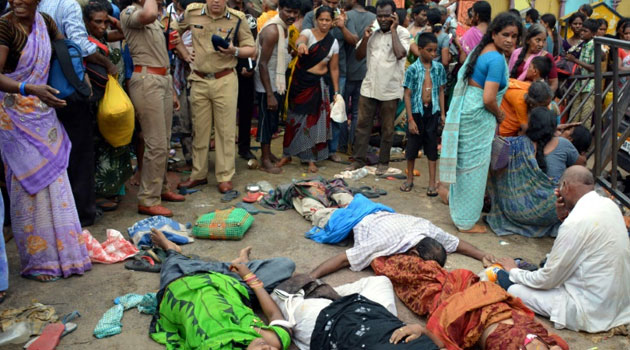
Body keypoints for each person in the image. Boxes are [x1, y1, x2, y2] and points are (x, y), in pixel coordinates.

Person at [0, 0, 92, 281]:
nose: (17, 1)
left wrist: (78, 80)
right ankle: (40, 260)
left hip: (44, 113)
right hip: (15, 119)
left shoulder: (46, 24)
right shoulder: (4, 27)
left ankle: (66, 252)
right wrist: (28, 88)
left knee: (56, 184)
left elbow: (66, 53)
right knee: (28, 189)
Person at [496, 165, 630, 333]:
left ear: (565, 186)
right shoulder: (609, 205)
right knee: (542, 265)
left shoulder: (576, 222)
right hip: (616, 304)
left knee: (508, 283)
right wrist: (564, 217)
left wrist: (514, 271)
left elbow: (548, 279)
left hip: (590, 310)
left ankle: (511, 277)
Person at [371, 254, 569, 350]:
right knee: (458, 278)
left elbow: (442, 336)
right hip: (492, 304)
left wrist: (423, 332)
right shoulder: (554, 345)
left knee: (428, 286)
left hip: (470, 313)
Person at [438, 12, 522, 233]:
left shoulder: (485, 50)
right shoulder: (495, 59)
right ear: (494, 33)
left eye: (514, 36)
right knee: (473, 169)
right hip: (478, 113)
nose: (510, 40)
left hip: (469, 109)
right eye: (505, 35)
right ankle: (466, 221)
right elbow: (488, 99)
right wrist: (500, 115)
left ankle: (459, 208)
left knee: (465, 164)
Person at [38, 0, 117, 226]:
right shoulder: (69, 5)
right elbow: (80, 45)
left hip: (41, 86)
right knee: (80, 151)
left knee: (53, 151)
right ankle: (83, 212)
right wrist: (107, 63)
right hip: (69, 86)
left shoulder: (39, 6)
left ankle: (59, 211)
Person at [148, 230, 296, 349]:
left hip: (183, 282)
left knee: (174, 262)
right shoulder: (274, 340)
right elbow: (273, 313)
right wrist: (250, 277)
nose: (267, 349)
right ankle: (240, 265)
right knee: (284, 265)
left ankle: (171, 251)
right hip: (231, 284)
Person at [176, 0, 256, 194]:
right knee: (200, 129)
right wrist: (185, 53)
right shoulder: (192, 13)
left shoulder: (238, 18)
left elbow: (251, 48)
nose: (216, 1)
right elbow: (172, 32)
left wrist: (234, 51)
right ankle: (198, 174)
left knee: (225, 130)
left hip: (225, 79)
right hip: (199, 79)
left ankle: (224, 177)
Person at [308, 198, 494, 279]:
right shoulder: (384, 242)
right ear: (413, 252)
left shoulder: (428, 230)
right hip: (354, 220)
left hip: (375, 209)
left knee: (343, 196)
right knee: (314, 210)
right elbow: (343, 259)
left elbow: (456, 243)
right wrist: (311, 277)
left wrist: (482, 254)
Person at [121, 0, 189, 217]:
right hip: (147, 80)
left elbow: (162, 53)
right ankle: (148, 199)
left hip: (161, 79)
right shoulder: (130, 13)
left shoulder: (156, 18)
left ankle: (161, 189)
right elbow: (149, 14)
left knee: (164, 140)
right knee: (156, 143)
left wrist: (172, 91)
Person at [271, 275, 443, 350]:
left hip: (332, 327)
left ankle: (321, 299)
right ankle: (330, 297)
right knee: (381, 281)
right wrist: (423, 330)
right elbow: (443, 346)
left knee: (279, 295)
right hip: (378, 314)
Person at [347, 0, 410, 176]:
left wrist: (393, 30)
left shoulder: (403, 33)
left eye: (386, 16)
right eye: (379, 15)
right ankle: (358, 161)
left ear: (394, 15)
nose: (382, 19)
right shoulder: (371, 32)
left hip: (389, 89)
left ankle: (383, 162)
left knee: (387, 128)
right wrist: (366, 37)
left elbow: (400, 54)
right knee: (362, 126)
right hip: (369, 87)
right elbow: (359, 56)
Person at [276, 6, 340, 173]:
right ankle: (287, 153)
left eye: (327, 20)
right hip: (300, 82)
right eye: (321, 20)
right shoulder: (308, 33)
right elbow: (300, 40)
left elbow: (334, 69)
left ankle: (310, 158)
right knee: (293, 119)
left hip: (319, 85)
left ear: (332, 22)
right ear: (316, 20)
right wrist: (302, 44)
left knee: (314, 122)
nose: (324, 23)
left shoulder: (333, 43)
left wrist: (337, 91)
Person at [83, 1, 133, 212]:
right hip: (98, 100)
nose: (103, 26)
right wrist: (108, 64)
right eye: (98, 22)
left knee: (115, 144)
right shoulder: (85, 42)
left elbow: (125, 34)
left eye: (105, 22)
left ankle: (113, 188)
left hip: (114, 97)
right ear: (85, 22)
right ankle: (100, 193)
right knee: (100, 145)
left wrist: (114, 19)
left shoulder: (102, 36)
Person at [487, 107, 563, 237]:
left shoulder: (512, 144)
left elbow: (493, 161)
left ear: (530, 124)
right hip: (549, 214)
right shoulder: (562, 144)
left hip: (512, 210)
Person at [302, 0, 357, 164]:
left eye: (335, 2)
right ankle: (309, 151)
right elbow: (302, 37)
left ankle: (332, 150)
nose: (332, 4)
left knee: (336, 111)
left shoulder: (344, 18)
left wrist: (341, 26)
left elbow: (354, 41)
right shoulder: (311, 16)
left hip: (337, 72)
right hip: (313, 74)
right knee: (312, 113)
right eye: (329, 1)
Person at [255, 0, 301, 174]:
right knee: (266, 122)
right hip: (267, 84)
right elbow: (262, 64)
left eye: (295, 12)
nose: (292, 16)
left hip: (276, 81)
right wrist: (269, 94)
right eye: (288, 11)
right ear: (280, 9)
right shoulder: (273, 30)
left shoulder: (284, 27)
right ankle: (265, 159)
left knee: (272, 121)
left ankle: (268, 154)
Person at [401, 33, 446, 196]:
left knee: (432, 148)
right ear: (420, 50)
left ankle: (432, 183)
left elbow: (441, 91)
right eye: (429, 50)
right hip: (416, 112)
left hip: (432, 112)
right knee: (412, 147)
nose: (433, 54)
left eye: (435, 51)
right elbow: (407, 94)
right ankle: (409, 179)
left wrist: (442, 114)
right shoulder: (413, 69)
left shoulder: (438, 68)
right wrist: (411, 119)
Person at [343, 0, 375, 153]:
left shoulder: (346, 16)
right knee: (357, 112)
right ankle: (354, 144)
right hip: (365, 71)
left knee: (341, 109)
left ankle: (342, 144)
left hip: (346, 69)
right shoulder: (374, 18)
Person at [499, 59, 553, 137]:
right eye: (544, 105)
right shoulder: (520, 99)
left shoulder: (538, 92)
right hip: (504, 131)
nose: (546, 107)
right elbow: (525, 129)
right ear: (533, 103)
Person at [509, 23, 559, 93]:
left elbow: (554, 84)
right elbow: (509, 76)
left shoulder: (546, 57)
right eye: (538, 40)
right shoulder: (516, 53)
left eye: (544, 41)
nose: (541, 45)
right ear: (528, 40)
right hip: (513, 94)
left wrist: (542, 98)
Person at [567, 18, 598, 128]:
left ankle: (582, 140)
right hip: (580, 83)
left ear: (593, 34)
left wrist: (574, 60)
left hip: (589, 86)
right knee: (574, 112)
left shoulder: (594, 45)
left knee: (585, 115)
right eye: (582, 30)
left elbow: (594, 68)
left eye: (585, 31)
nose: (582, 33)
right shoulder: (583, 44)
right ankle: (571, 135)